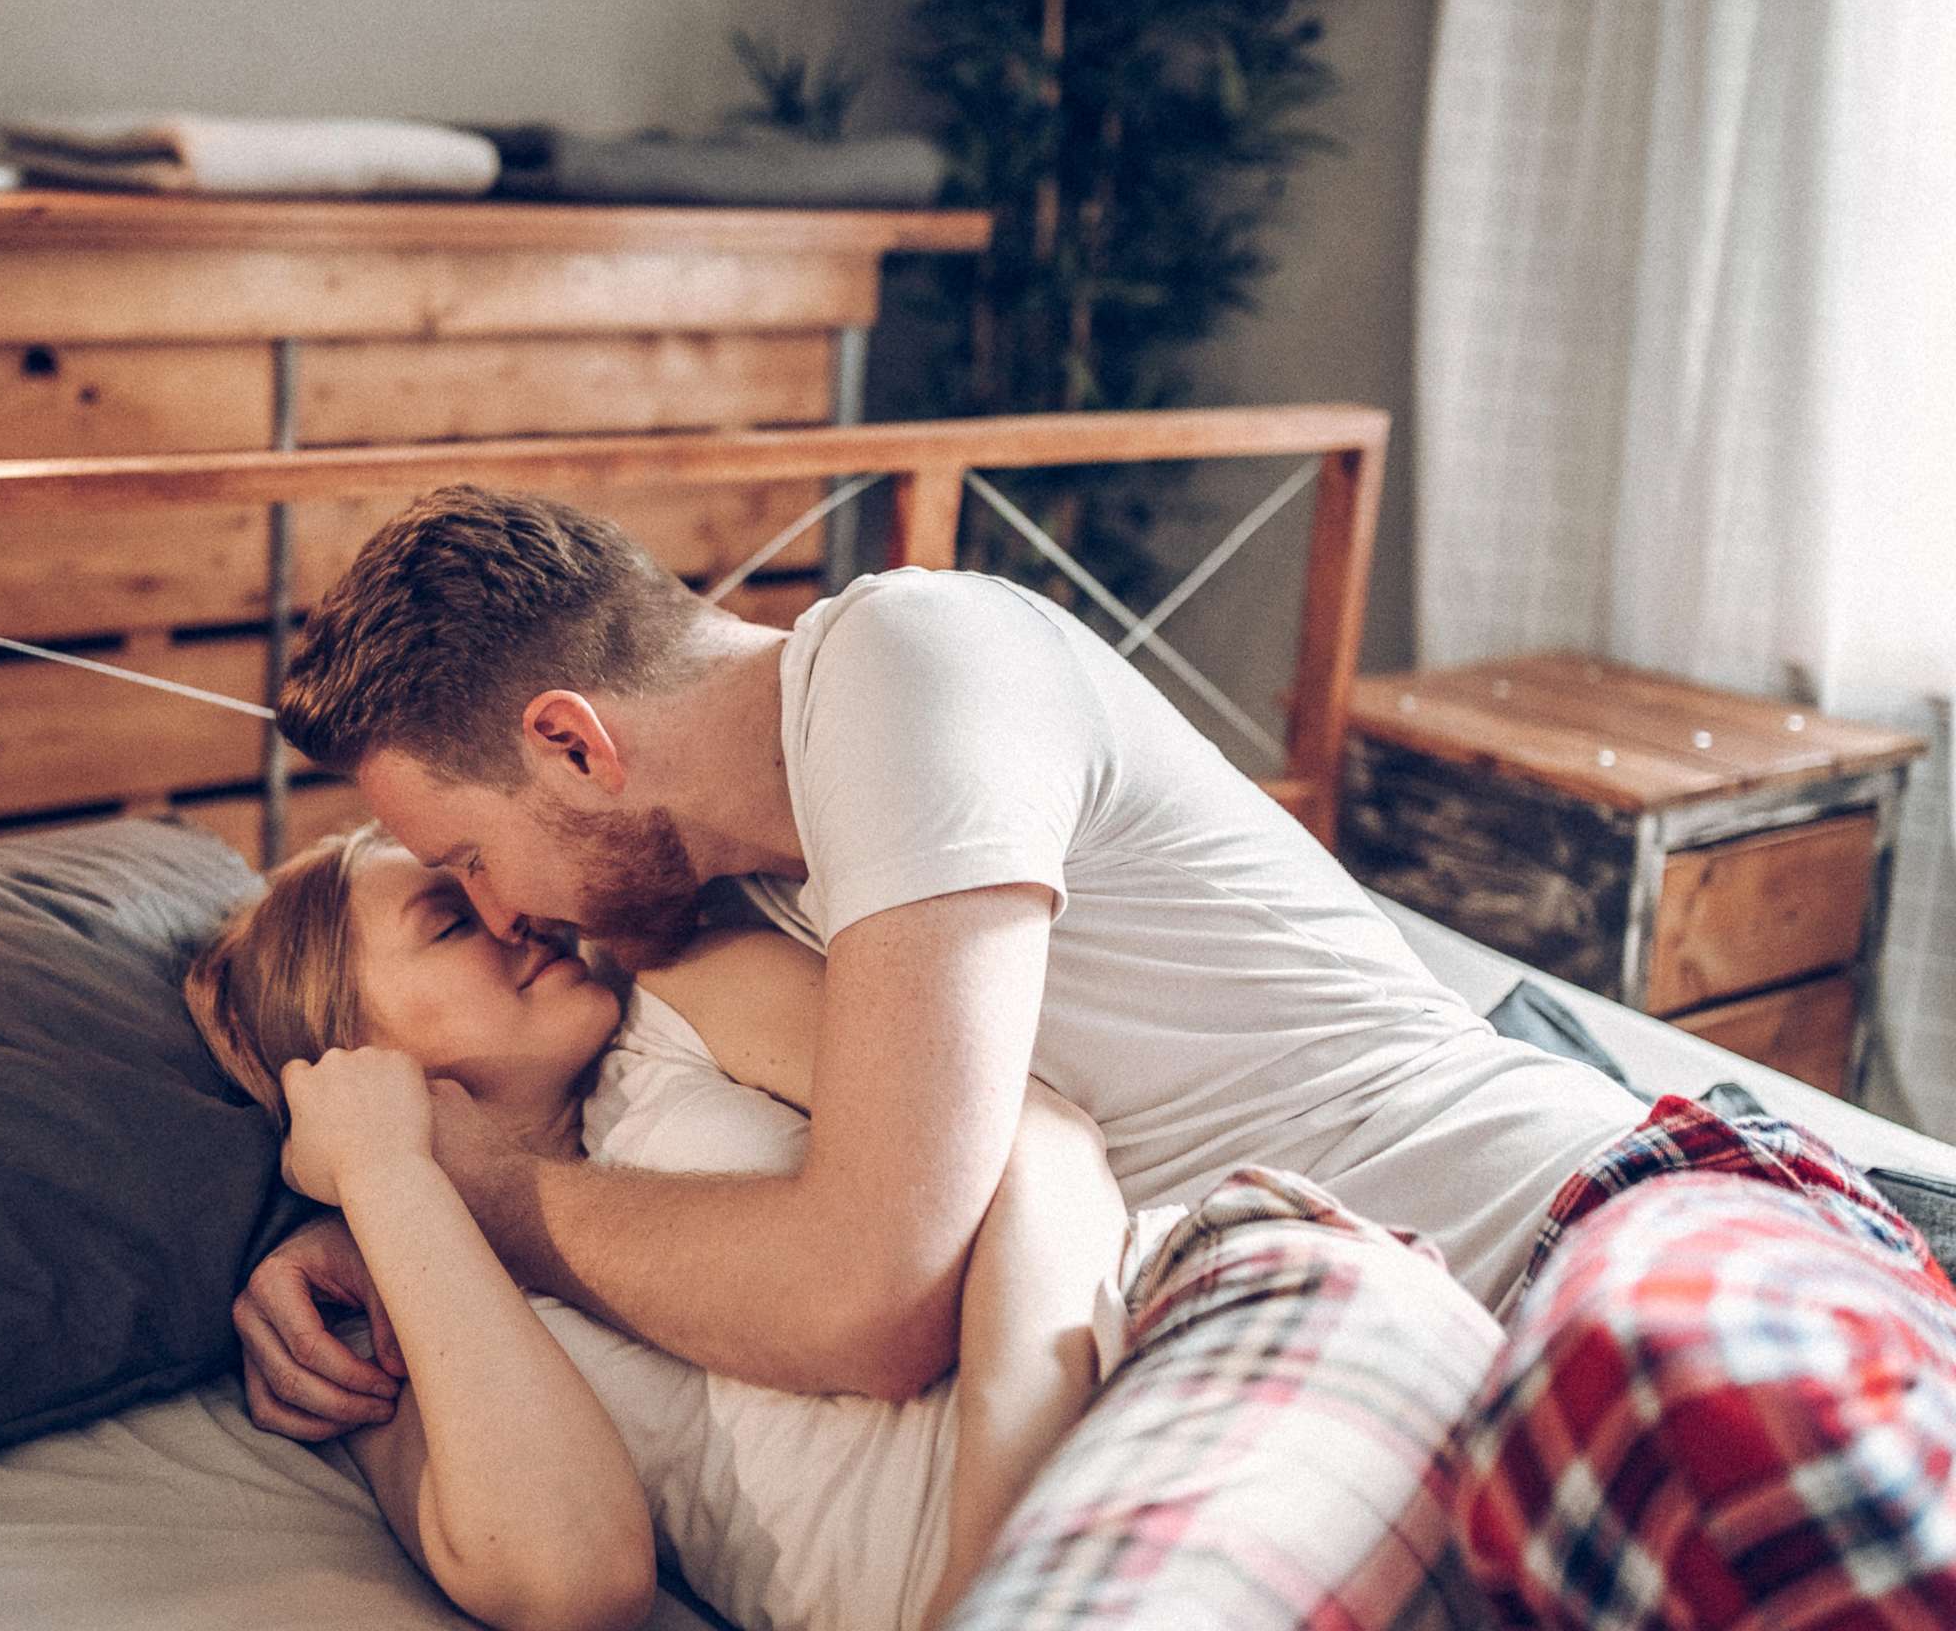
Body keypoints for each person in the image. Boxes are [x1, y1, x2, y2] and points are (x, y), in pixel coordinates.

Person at [240, 485, 1956, 1629]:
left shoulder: (909, 669)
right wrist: (387, 1227)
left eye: (470, 862)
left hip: (1591, 1209)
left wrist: (481, 1194)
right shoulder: (717, 907)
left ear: (572, 742)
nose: (508, 911)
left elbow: (869, 1281)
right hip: (1360, 1370)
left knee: (1692, 1422)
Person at [188, 822, 1507, 1631]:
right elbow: (576, 1577)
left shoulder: (682, 1008)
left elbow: (1034, 1149)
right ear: (353, 1055)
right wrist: (391, 1184)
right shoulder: (395, 1315)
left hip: (1227, 1338)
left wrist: (995, 1565)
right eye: (443, 917)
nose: (509, 912)